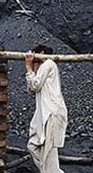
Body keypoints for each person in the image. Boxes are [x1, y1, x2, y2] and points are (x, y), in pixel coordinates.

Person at [24, 43, 68, 173]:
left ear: (42, 53)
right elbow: (32, 90)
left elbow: (35, 85)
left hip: (51, 113)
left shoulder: (48, 63)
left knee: (49, 154)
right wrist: (34, 70)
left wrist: (28, 68)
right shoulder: (43, 68)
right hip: (45, 113)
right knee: (33, 146)